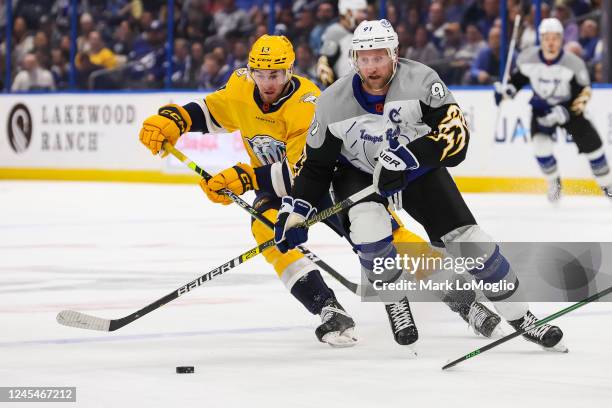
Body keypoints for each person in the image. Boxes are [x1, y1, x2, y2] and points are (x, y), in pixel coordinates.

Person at [274, 19, 567, 352]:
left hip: (417, 170)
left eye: (379, 57)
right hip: (355, 173)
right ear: (354, 59)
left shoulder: (422, 80)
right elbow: (316, 168)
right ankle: (396, 300)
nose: (371, 67)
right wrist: (297, 212)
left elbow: (458, 137)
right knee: (369, 228)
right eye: (364, 58)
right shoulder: (331, 102)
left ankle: (523, 318)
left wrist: (410, 157)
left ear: (395, 55)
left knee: (474, 244)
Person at [138, 35, 356, 348]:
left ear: (290, 71)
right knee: (266, 231)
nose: (267, 83)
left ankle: (445, 283)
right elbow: (213, 110)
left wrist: (244, 177)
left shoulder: (307, 104)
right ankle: (328, 307)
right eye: (260, 74)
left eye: (276, 74)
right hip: (274, 185)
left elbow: (303, 174)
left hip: (327, 181)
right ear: (250, 70)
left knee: (373, 234)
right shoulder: (241, 86)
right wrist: (176, 118)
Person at [494, 18, 612, 201]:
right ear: (540, 39)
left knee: (594, 148)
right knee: (541, 146)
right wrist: (507, 91)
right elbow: (517, 81)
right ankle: (554, 183)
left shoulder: (573, 63)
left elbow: (585, 92)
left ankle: (608, 185)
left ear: (561, 39)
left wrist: (566, 111)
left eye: (555, 38)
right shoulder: (528, 59)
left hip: (570, 111)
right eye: (547, 38)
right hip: (541, 109)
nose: (551, 42)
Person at [316, 0, 367, 87]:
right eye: (360, 11)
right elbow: (323, 65)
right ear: (348, 12)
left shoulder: (360, 32)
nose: (364, 16)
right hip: (343, 90)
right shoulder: (335, 32)